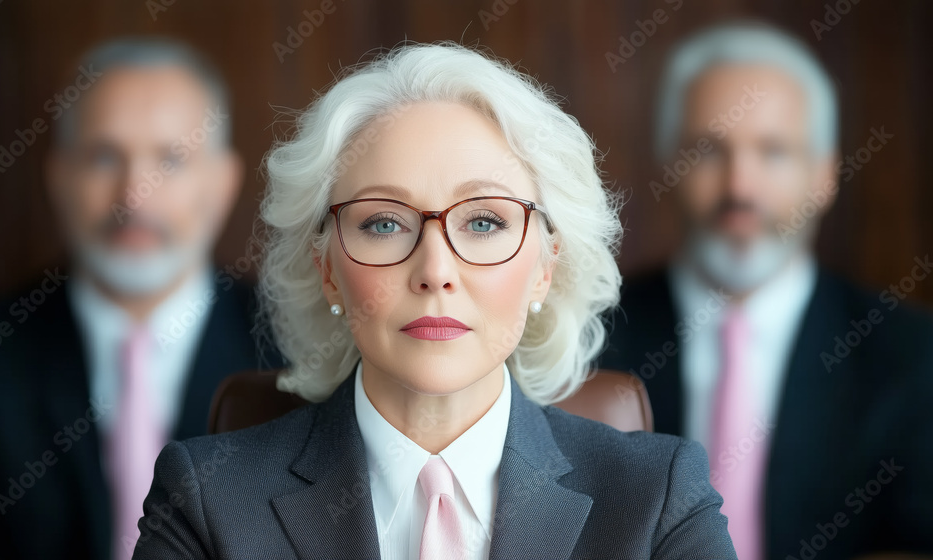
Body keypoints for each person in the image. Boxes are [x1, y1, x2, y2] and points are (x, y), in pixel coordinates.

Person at [131, 42, 736, 559]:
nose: (435, 272)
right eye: (384, 224)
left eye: (484, 223)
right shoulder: (204, 498)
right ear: (328, 269)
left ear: (546, 267)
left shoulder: (661, 498)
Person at [0, 39, 283, 560]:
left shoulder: (296, 347)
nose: (133, 196)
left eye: (170, 159)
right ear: (59, 178)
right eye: (103, 156)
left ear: (222, 183)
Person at [598, 23, 933, 559]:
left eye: (773, 151)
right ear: (669, 164)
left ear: (824, 176)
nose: (740, 187)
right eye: (709, 150)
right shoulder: (590, 339)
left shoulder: (913, 358)